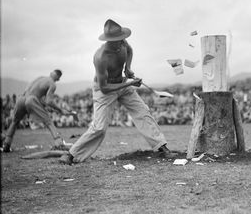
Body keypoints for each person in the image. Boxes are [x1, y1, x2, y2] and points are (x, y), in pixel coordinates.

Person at [59, 19, 176, 165]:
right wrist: (131, 83)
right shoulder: (101, 57)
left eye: (123, 39)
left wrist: (128, 68)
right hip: (104, 91)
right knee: (99, 128)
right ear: (110, 41)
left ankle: (161, 147)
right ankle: (71, 154)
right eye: (119, 40)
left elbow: (130, 51)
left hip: (122, 83)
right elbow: (105, 88)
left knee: (142, 111)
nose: (123, 42)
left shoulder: (123, 44)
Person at [1, 70, 70, 152]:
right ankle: (59, 144)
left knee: (14, 122)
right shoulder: (52, 84)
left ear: (51, 73)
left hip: (21, 99)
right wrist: (60, 110)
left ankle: (6, 144)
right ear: (58, 78)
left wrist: (42, 104)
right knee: (49, 121)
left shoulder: (40, 78)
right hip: (31, 100)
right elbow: (49, 101)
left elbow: (32, 93)